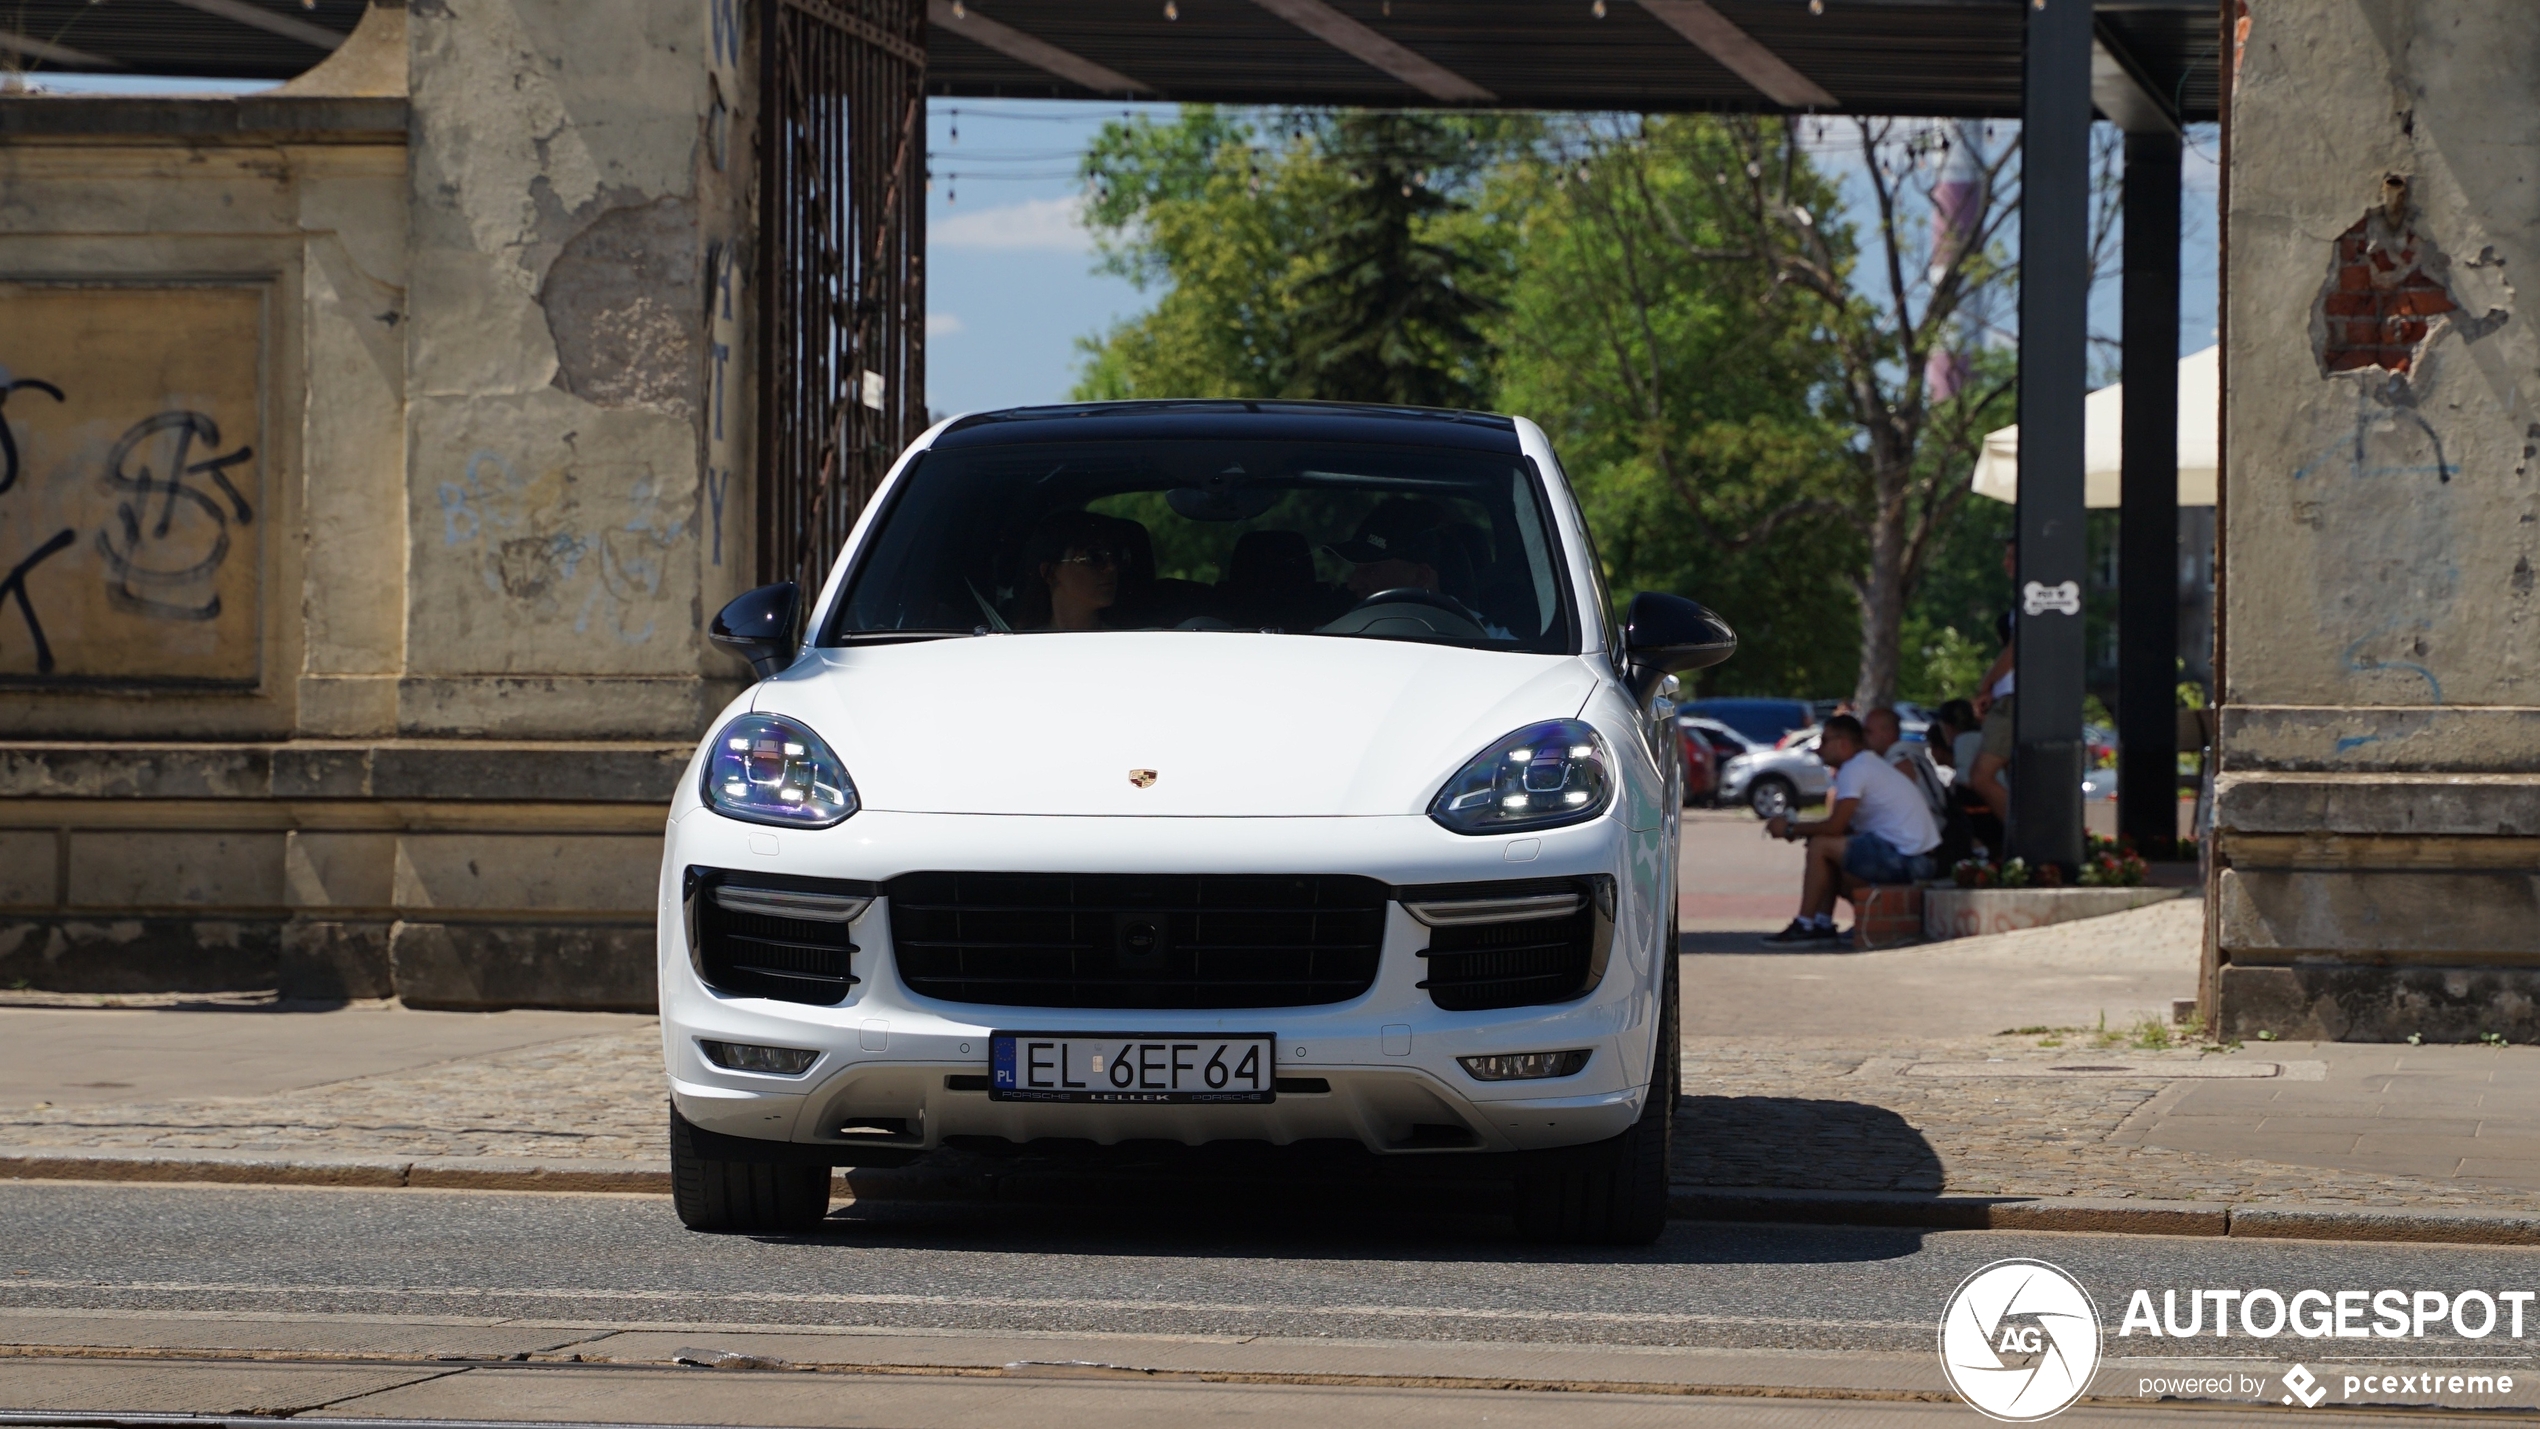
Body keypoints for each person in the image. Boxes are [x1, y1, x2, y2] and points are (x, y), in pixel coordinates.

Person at [1760, 714, 1943, 945]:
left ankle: (1805, 923)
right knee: (1825, 847)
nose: (1819, 750)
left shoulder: (1855, 769)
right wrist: (1802, 830)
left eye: (1825, 741)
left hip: (1912, 860)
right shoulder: (1867, 764)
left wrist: (1790, 829)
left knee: (1821, 845)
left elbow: (1835, 826)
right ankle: (1822, 922)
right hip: (1916, 855)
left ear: (1843, 743)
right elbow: (1842, 827)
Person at [1967, 539, 2018, 824]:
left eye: (2011, 556)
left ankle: (2023, 839)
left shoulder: (2030, 597)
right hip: (2008, 700)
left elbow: (2016, 650)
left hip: (2010, 701)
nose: (2005, 563)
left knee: (1981, 776)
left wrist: (1985, 686)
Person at [1015, 509, 1121, 631]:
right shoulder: (1018, 645)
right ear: (1050, 573)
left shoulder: (1133, 643)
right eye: (1094, 557)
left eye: (1117, 556)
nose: (1111, 567)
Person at [1863, 706, 1950, 819]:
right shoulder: (1909, 756)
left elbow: (1890, 810)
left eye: (1868, 732)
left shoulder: (1901, 762)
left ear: (1888, 732)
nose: (1863, 737)